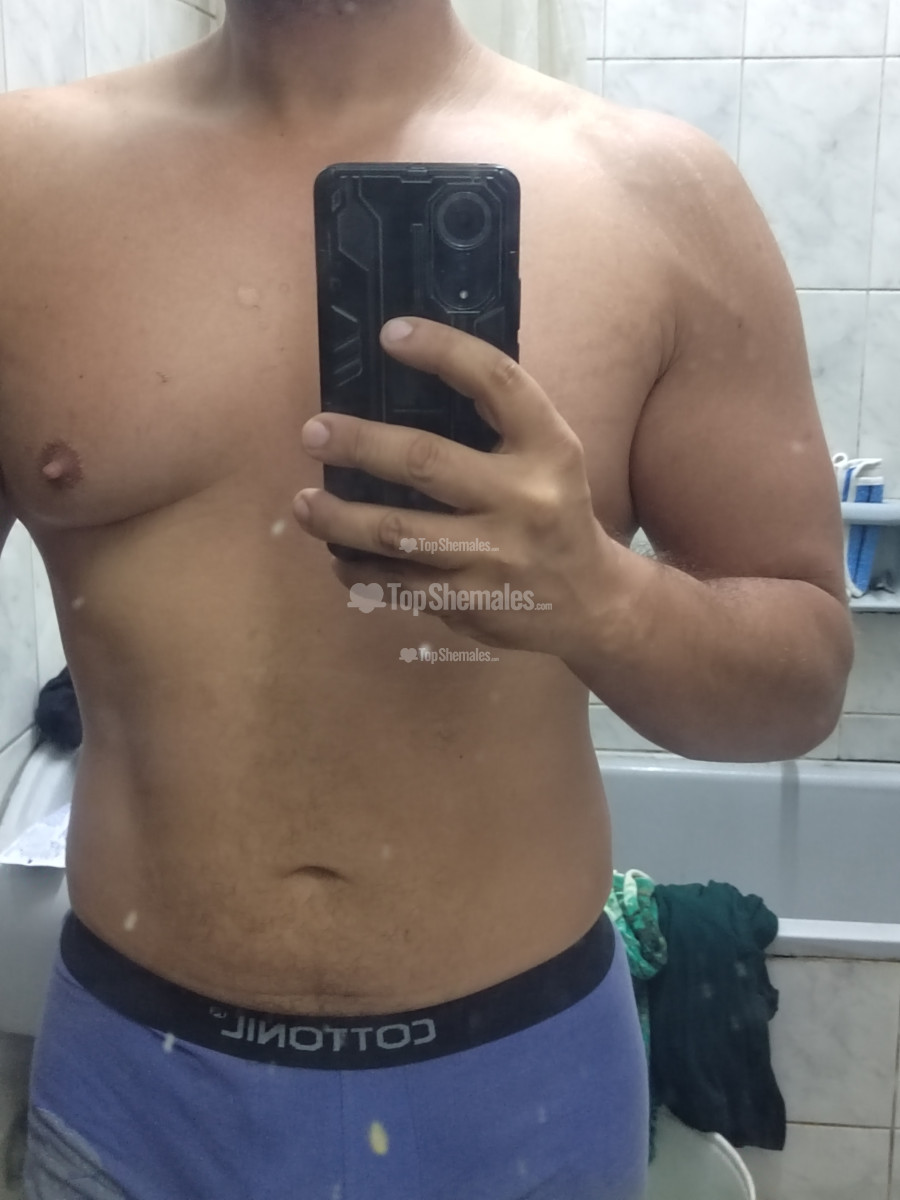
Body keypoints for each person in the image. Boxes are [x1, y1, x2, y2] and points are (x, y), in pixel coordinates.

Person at [0, 1, 853, 1197]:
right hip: (134, 1099)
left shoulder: (659, 197)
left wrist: (601, 595)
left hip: (523, 1096)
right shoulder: (21, 188)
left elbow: (805, 686)